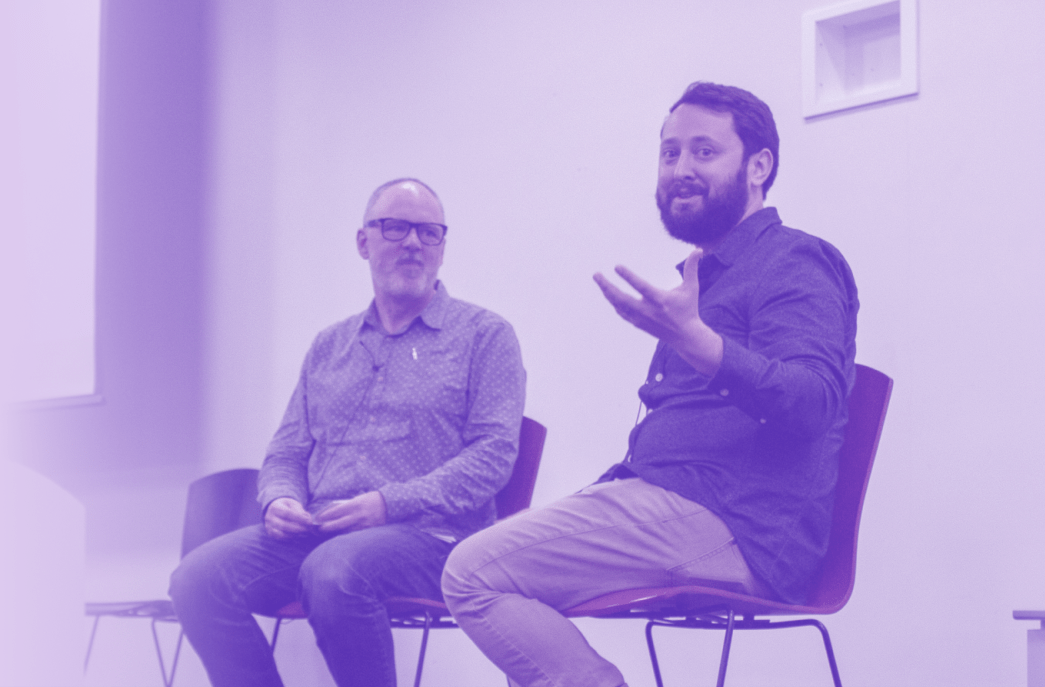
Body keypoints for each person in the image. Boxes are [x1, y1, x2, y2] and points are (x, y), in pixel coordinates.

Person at [442, 82, 858, 687]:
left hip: (738, 527)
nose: (680, 169)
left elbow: (815, 402)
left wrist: (700, 344)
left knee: (473, 573)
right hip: (670, 504)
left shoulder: (796, 261)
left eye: (703, 152)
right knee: (514, 592)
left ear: (758, 166)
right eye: (669, 154)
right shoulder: (701, 278)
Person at [169, 178, 526, 687]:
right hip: (320, 533)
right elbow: (287, 452)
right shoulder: (328, 346)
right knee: (196, 580)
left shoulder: (485, 336)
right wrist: (278, 500)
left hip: (435, 538)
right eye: (395, 227)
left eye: (428, 233)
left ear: (442, 248)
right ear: (364, 242)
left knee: (335, 571)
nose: (412, 243)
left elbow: (493, 457)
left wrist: (388, 503)